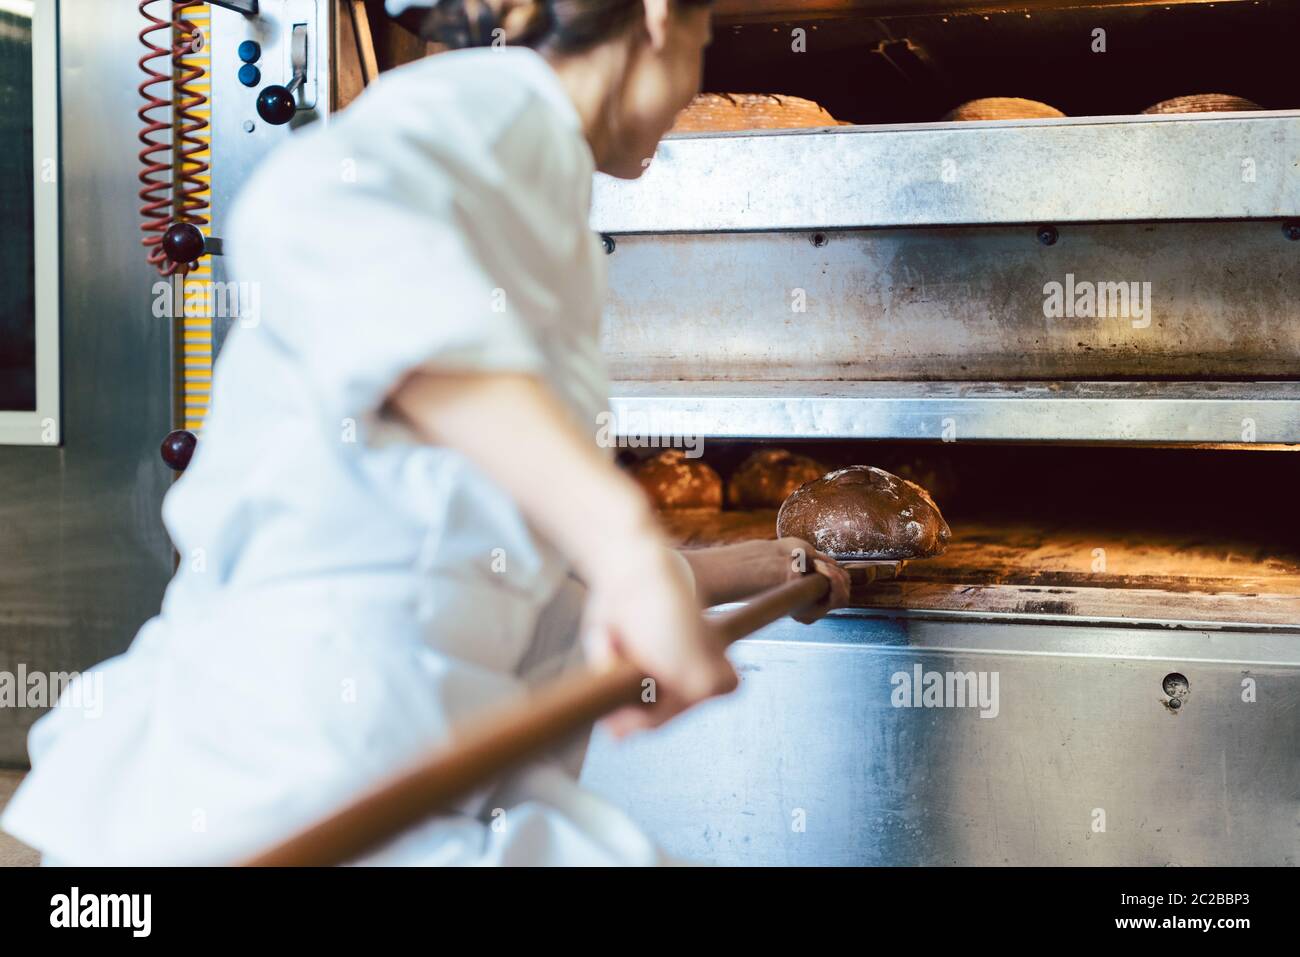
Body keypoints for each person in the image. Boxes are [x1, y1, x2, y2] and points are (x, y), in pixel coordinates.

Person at [2, 0, 848, 865]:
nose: (691, 91)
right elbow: (310, 212)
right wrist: (624, 540)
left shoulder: (541, 182)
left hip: (389, 758)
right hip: (301, 759)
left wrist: (748, 569)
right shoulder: (505, 107)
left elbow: (483, 545)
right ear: (662, 17)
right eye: (705, 46)